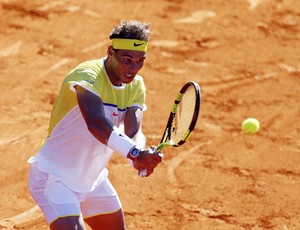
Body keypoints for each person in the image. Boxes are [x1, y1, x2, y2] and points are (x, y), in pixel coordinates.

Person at [28, 20, 162, 230]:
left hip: (93, 180)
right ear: (111, 52)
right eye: (127, 59)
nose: (133, 67)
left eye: (140, 60)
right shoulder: (87, 75)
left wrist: (139, 157)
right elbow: (96, 124)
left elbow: (133, 131)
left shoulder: (136, 85)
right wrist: (135, 154)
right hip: (54, 177)